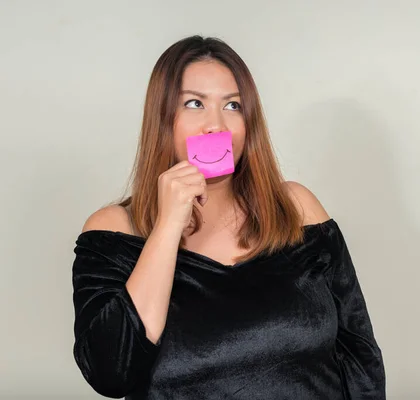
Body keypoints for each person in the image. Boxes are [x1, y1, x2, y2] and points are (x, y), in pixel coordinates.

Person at [71, 35, 386, 399]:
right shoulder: (113, 230)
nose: (215, 125)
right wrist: (168, 225)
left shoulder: (297, 210)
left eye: (233, 105)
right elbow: (111, 374)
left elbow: (360, 357)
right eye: (194, 103)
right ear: (163, 119)